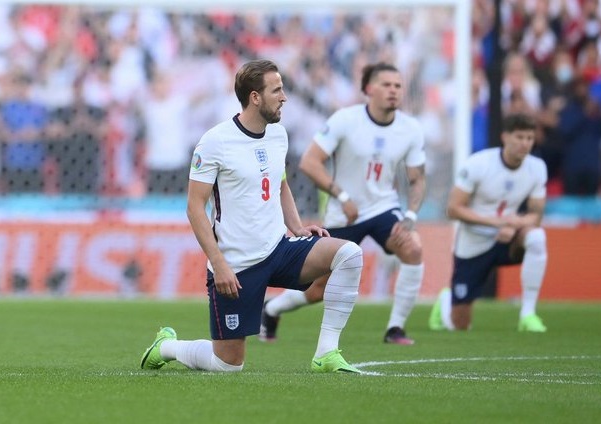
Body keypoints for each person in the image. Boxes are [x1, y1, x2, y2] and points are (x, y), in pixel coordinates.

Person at [139, 59, 364, 373]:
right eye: (277, 90)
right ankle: (167, 346)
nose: (284, 97)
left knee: (349, 255)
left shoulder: (278, 135)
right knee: (228, 364)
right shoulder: (215, 141)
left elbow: (279, 183)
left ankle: (326, 353)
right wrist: (218, 264)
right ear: (255, 97)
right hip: (236, 264)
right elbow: (194, 208)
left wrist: (297, 227)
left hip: (279, 249)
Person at [260, 62, 426, 345]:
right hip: (345, 213)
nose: (393, 91)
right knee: (318, 289)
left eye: (398, 86)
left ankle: (395, 328)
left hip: (383, 208)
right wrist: (343, 196)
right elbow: (310, 163)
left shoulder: (411, 129)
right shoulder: (345, 120)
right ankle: (271, 309)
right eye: (386, 85)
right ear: (368, 89)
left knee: (412, 248)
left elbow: (417, 178)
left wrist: (410, 214)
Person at [429, 113, 548, 332]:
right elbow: (453, 209)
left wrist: (514, 224)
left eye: (530, 138)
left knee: (536, 236)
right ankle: (447, 300)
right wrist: (497, 223)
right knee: (460, 326)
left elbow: (536, 215)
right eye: (520, 137)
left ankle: (528, 314)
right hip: (473, 243)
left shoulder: (537, 167)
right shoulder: (478, 164)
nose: (525, 144)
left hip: (508, 238)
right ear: (505, 137)